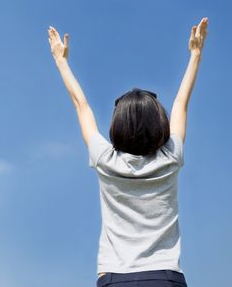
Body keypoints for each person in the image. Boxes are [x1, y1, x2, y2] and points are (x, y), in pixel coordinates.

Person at [47, 17, 208, 287]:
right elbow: (181, 103)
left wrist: (61, 62)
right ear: (160, 124)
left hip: (114, 278)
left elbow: (81, 106)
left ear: (117, 125)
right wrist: (196, 55)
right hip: (165, 277)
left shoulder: (105, 160)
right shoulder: (170, 157)